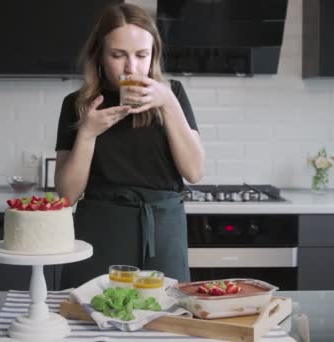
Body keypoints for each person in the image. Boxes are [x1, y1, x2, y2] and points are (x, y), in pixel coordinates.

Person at [54, 3, 205, 288]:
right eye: (118, 55)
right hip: (101, 230)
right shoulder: (77, 104)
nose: (131, 67)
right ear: (99, 53)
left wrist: (168, 103)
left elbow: (195, 171)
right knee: (91, 321)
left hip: (163, 231)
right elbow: (67, 195)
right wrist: (87, 133)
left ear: (154, 55)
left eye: (141, 55)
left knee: (164, 322)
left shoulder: (173, 95)